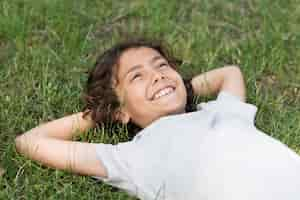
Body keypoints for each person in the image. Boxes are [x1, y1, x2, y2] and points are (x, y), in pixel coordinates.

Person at [15, 39, 300, 200]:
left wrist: (182, 89)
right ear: (121, 111)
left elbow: (230, 72)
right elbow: (30, 142)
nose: (157, 75)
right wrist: (103, 112)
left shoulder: (221, 112)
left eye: (161, 66)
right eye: (137, 76)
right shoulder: (132, 156)